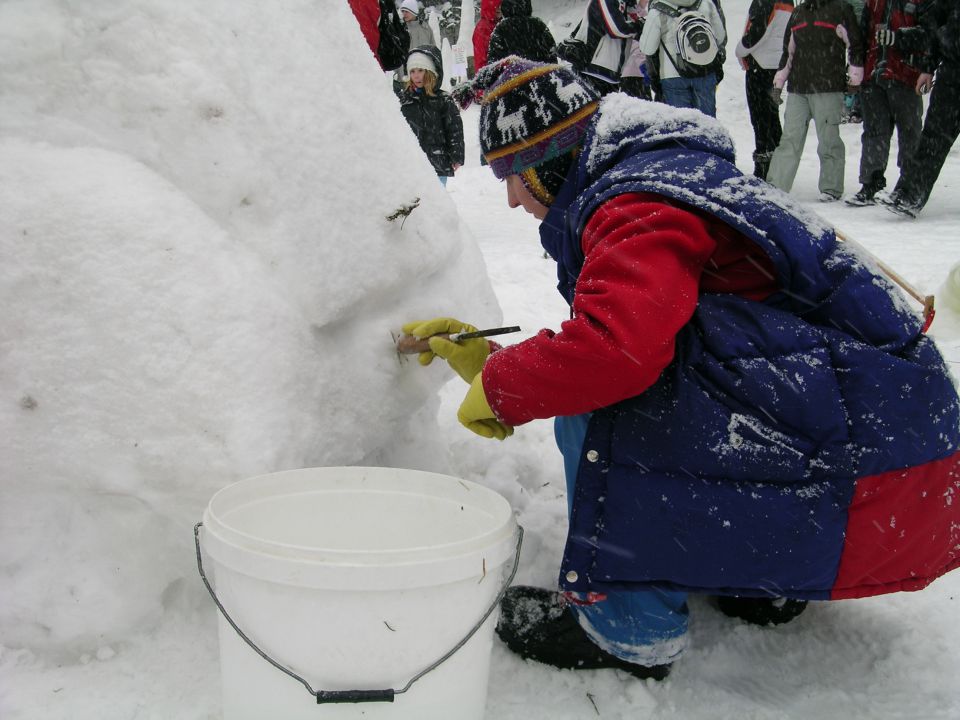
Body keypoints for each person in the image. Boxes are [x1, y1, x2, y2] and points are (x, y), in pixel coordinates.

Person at [405, 56, 960, 679]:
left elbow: (617, 353)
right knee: (657, 381)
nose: (509, 199)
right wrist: (491, 359)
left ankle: (628, 629)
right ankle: (763, 582)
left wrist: (502, 386)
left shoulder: (636, 201)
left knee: (607, 415)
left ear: (552, 160)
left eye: (514, 175)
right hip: (878, 427)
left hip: (871, 450)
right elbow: (653, 330)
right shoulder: (665, 174)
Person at [766, 0, 864, 201]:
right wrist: (778, 84)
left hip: (828, 88)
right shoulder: (799, 13)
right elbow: (788, 52)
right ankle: (776, 185)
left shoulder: (840, 9)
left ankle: (831, 188)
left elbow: (855, 45)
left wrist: (855, 78)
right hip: (798, 89)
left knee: (828, 140)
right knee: (789, 140)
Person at [846, 0, 933, 205]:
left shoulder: (920, 2)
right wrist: (857, 67)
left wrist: (898, 38)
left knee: (909, 132)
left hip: (906, 76)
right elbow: (861, 37)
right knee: (874, 131)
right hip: (874, 74)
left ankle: (908, 186)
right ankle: (870, 183)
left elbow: (929, 36)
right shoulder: (873, 2)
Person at [882, 0, 960, 217]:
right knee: (932, 140)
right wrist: (927, 69)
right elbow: (935, 34)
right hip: (952, 78)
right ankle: (908, 196)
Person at [734, 0, 794, 179]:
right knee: (771, 116)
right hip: (777, 65)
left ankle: (764, 164)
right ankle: (779, 165)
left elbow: (757, 31)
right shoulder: (788, 2)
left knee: (760, 118)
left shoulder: (763, 1)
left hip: (759, 65)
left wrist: (740, 50)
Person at [638, 0, 727, 116]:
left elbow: (647, 48)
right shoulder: (707, 3)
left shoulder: (657, 9)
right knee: (707, 123)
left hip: (673, 75)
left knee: (681, 124)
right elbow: (720, 37)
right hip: (705, 70)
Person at [398, 46, 464, 185]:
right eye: (412, 71)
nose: (416, 75)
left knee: (437, 200)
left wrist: (456, 156)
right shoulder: (404, 100)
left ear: (430, 72)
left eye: (420, 70)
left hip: (437, 159)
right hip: (412, 162)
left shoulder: (443, 99)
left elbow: (454, 129)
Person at [556, 0, 644, 96]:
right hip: (593, 69)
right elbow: (617, 29)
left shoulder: (625, 3)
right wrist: (640, 26)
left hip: (610, 73)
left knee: (605, 109)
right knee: (592, 108)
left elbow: (632, 27)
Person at [486, 0, 557, 65]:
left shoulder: (501, 28)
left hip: (514, 77)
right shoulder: (539, 25)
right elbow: (552, 53)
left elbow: (494, 62)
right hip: (540, 74)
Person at [393, 0, 437, 96]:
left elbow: (433, 49)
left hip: (424, 72)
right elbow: (396, 52)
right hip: (406, 73)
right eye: (403, 11)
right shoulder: (401, 29)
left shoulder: (425, 28)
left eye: (407, 11)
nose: (404, 14)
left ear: (413, 11)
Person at [473, 0, 503, 73]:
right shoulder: (483, 28)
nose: (499, 8)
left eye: (501, 5)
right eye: (496, 6)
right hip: (492, 75)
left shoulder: (502, 24)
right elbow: (481, 59)